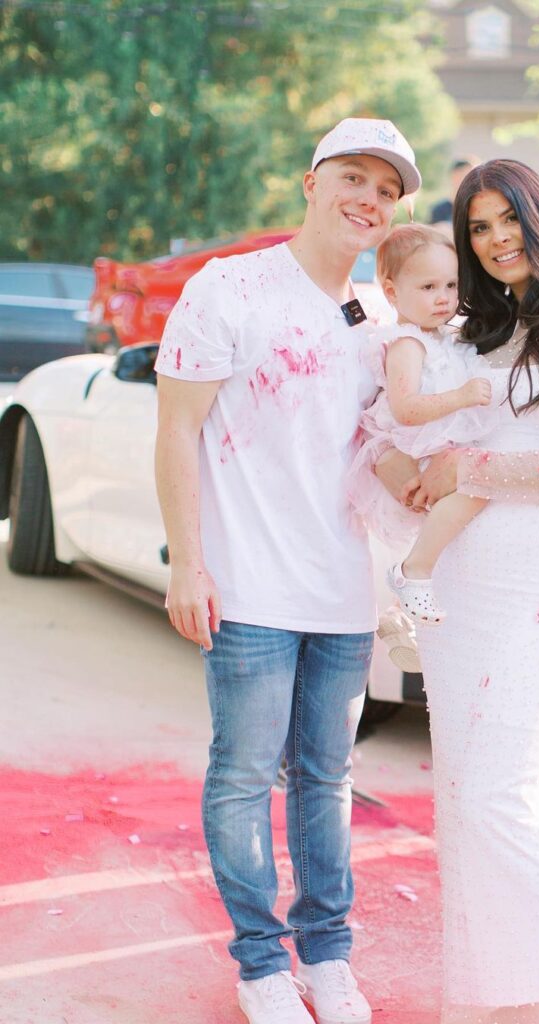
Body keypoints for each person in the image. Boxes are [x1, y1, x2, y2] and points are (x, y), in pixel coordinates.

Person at [153, 117, 422, 1024]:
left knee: (327, 780)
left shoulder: (380, 318)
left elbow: (376, 448)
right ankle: (262, 964)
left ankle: (328, 955)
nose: (369, 201)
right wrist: (187, 563)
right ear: (310, 183)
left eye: (387, 191)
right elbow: (177, 431)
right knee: (242, 775)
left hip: (342, 592)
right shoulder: (229, 287)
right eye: (354, 177)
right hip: (249, 588)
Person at [378, 159, 539, 1022]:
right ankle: (486, 1002)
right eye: (477, 229)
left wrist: (467, 465)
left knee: (499, 792)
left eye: (507, 221)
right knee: (460, 795)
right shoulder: (472, 330)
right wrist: (418, 469)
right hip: (459, 589)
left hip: (534, 590)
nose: (495, 242)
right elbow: (429, 425)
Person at [348, 224, 498, 629]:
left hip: (437, 441)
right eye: (429, 287)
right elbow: (406, 408)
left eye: (451, 285)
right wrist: (462, 397)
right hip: (416, 441)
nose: (444, 298)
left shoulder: (443, 337)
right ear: (393, 292)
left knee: (463, 507)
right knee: (475, 488)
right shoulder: (406, 344)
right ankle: (413, 572)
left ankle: (406, 613)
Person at [429, 157, 481, 235]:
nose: (472, 181)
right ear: (454, 176)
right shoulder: (439, 210)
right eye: (467, 175)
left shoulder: (479, 207)